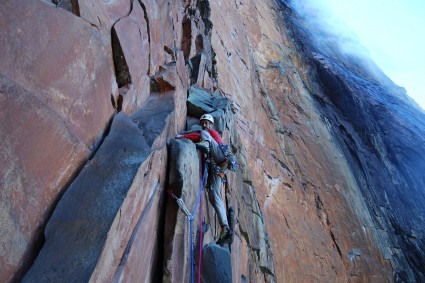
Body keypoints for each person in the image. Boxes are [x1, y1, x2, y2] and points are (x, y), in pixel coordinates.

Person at [176, 114, 233, 245]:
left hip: (220, 155)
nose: (204, 125)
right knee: (214, 195)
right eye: (203, 123)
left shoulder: (211, 132)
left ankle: (205, 144)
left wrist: (181, 136)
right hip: (219, 168)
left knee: (203, 135)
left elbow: (197, 136)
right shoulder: (207, 135)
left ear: (211, 124)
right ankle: (225, 227)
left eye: (207, 123)